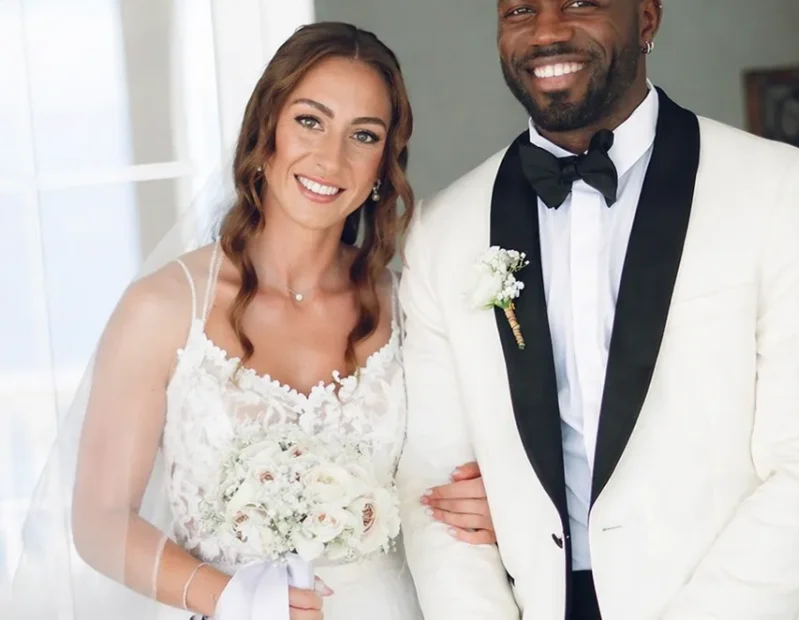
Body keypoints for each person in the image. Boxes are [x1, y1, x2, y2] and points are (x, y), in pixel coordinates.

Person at [399, 1, 799, 619]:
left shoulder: (780, 189)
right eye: (520, 9)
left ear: (646, 18)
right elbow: (436, 488)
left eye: (581, 2)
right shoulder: (443, 229)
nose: (547, 31)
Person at [8, 22, 495, 620]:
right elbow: (100, 522)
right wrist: (237, 600)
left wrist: (500, 502)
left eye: (363, 135)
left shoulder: (408, 305)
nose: (331, 158)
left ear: (382, 166)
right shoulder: (163, 308)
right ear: (266, 132)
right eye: (310, 121)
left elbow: (451, 468)